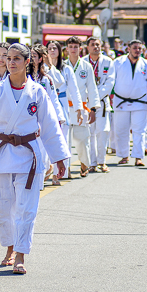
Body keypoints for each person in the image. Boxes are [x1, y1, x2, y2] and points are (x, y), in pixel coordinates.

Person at [0, 43, 70, 274]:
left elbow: (50, 126)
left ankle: (21, 254)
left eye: (16, 58)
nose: (11, 62)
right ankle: (10, 247)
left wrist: (59, 158)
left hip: (29, 155)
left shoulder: (37, 92)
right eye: (8, 58)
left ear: (27, 62)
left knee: (26, 208)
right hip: (3, 153)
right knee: (2, 208)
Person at [110, 39, 147, 167]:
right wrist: (106, 95)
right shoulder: (118, 62)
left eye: (139, 48)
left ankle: (138, 157)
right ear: (128, 49)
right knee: (121, 130)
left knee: (139, 130)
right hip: (121, 101)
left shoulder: (146, 65)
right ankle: (124, 155)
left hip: (140, 102)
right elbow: (110, 80)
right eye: (134, 48)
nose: (137, 50)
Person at [46, 40, 82, 177]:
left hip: (61, 101)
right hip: (46, 103)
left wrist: (78, 109)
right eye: (50, 48)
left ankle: (60, 172)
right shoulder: (42, 67)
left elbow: (74, 90)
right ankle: (46, 168)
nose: (52, 51)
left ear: (60, 51)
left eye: (55, 48)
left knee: (63, 137)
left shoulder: (66, 68)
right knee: (46, 136)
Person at [30, 45, 65, 185]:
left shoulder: (46, 79)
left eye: (34, 56)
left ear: (40, 59)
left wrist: (59, 117)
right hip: (27, 119)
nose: (31, 58)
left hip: (42, 119)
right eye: (30, 55)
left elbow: (53, 99)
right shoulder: (23, 77)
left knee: (42, 152)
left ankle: (39, 182)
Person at [65, 37, 98, 176]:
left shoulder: (86, 66)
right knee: (65, 140)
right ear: (66, 49)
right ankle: (65, 169)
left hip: (82, 107)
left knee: (82, 139)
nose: (73, 49)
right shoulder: (62, 66)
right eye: (71, 46)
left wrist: (93, 109)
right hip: (65, 107)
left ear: (80, 48)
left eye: (76, 47)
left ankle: (84, 164)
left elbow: (92, 88)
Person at [86, 37, 114, 172]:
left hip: (102, 103)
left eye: (97, 44)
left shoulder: (108, 62)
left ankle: (102, 162)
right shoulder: (83, 62)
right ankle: (91, 163)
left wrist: (95, 97)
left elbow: (110, 83)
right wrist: (90, 97)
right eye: (93, 45)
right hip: (87, 103)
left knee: (102, 132)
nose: (96, 47)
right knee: (89, 134)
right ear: (88, 47)